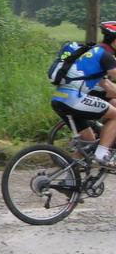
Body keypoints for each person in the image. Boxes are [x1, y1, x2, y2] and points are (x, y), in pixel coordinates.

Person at [51, 20, 116, 166]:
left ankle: (70, 175)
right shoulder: (106, 56)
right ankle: (102, 154)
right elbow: (113, 76)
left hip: (59, 99)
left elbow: (107, 85)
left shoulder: (94, 52)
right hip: (73, 99)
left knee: (88, 143)